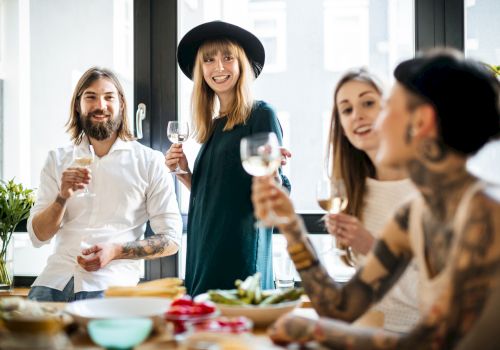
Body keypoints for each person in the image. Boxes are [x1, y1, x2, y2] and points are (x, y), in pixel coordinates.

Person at [251, 49, 500, 348]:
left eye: (386, 108)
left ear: (421, 122)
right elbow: (339, 309)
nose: (376, 123)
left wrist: (316, 331)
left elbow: (433, 343)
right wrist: (291, 226)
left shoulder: (486, 214)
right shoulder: (413, 215)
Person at [27, 67, 183, 302]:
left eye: (108, 97)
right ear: (78, 105)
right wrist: (61, 198)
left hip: (111, 284)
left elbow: (171, 239)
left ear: (120, 103)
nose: (100, 105)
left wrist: (116, 251)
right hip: (53, 281)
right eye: (91, 97)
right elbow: (38, 236)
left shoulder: (149, 161)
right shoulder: (56, 160)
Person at [166, 21, 289, 296]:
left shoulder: (261, 115)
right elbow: (215, 193)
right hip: (205, 246)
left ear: (241, 64)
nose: (218, 67)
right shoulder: (214, 126)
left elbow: (274, 192)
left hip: (240, 252)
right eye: (209, 60)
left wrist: (275, 175)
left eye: (227, 57)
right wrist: (185, 172)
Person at [322, 68, 420, 332]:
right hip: (368, 331)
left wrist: (374, 249)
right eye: (346, 109)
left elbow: (439, 292)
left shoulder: (426, 188)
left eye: (368, 103)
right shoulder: (355, 191)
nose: (358, 116)